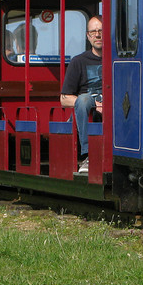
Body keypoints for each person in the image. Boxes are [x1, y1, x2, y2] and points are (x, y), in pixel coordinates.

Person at [60, 16, 103, 173]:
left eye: (101, 31)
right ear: (88, 36)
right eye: (93, 32)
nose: (97, 35)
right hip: (88, 112)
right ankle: (88, 155)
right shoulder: (78, 61)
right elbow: (64, 99)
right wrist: (95, 104)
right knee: (84, 99)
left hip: (114, 109)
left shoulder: (118, 60)